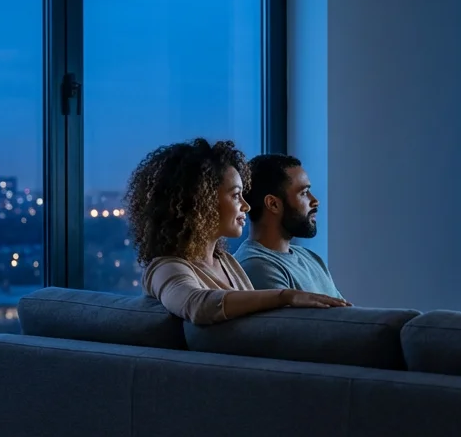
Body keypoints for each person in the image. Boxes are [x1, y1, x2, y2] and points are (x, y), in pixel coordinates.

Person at [126, 138, 348, 325]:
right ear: (201, 202)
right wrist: (286, 296)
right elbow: (197, 305)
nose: (246, 205)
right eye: (235, 195)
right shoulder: (165, 267)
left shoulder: (227, 263)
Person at [235, 154, 344, 299]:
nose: (315, 201)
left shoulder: (311, 258)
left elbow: (345, 314)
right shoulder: (257, 266)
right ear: (273, 204)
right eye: (304, 193)